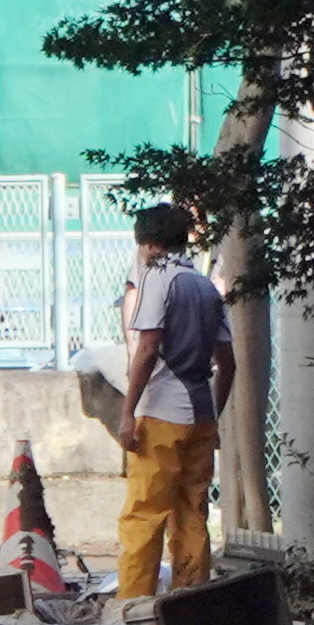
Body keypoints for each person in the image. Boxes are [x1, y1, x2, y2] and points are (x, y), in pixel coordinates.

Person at [110, 197, 233, 604]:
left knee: (144, 517)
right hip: (201, 416)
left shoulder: (155, 278)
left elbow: (146, 350)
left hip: (161, 416)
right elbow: (227, 364)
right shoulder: (204, 286)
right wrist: (214, 415)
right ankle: (192, 609)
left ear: (147, 245)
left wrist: (127, 414)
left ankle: (133, 612)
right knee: (192, 515)